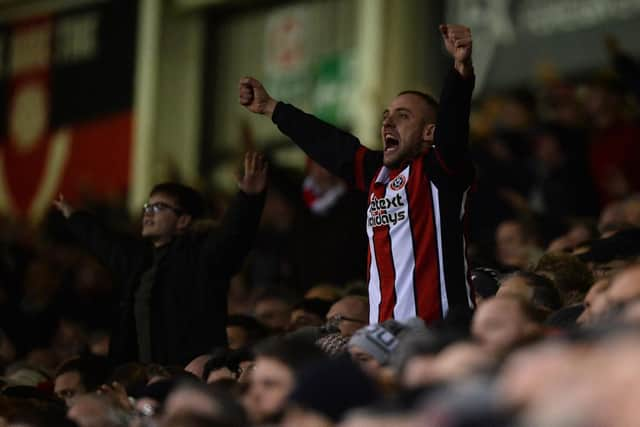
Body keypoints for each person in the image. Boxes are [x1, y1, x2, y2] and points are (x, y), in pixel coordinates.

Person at [239, 24, 475, 324]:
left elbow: (453, 129)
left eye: (403, 117)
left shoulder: (441, 171)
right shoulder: (377, 174)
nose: (388, 123)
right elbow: (330, 145)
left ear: (430, 132)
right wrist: (271, 108)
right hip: (386, 337)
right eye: (386, 116)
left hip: (442, 331)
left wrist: (460, 70)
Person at [52, 153, 267, 365]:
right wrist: (75, 217)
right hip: (139, 378)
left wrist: (248, 198)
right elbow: (105, 243)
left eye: (159, 207)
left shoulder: (201, 255)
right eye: (148, 207)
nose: (148, 213)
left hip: (189, 376)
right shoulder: (140, 260)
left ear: (183, 220)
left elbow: (233, 237)